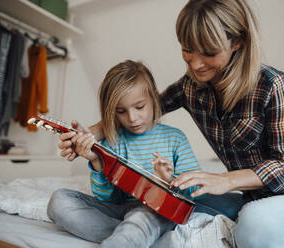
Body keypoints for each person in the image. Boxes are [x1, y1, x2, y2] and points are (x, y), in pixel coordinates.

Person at [58, 0, 284, 247]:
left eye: (208, 53)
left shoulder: (269, 83)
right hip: (248, 201)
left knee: (254, 223)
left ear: (237, 42)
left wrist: (225, 180)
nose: (196, 64)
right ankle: (133, 237)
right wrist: (90, 133)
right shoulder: (192, 86)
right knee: (172, 201)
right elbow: (145, 105)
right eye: (187, 50)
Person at [47, 60, 202, 247]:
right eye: (121, 111)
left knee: (141, 215)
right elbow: (108, 199)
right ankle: (136, 235)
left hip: (155, 210)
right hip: (121, 211)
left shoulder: (175, 138)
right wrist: (97, 162)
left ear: (154, 98)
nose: (132, 118)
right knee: (59, 201)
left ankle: (134, 233)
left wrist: (167, 182)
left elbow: (195, 191)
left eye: (139, 107)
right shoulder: (112, 141)